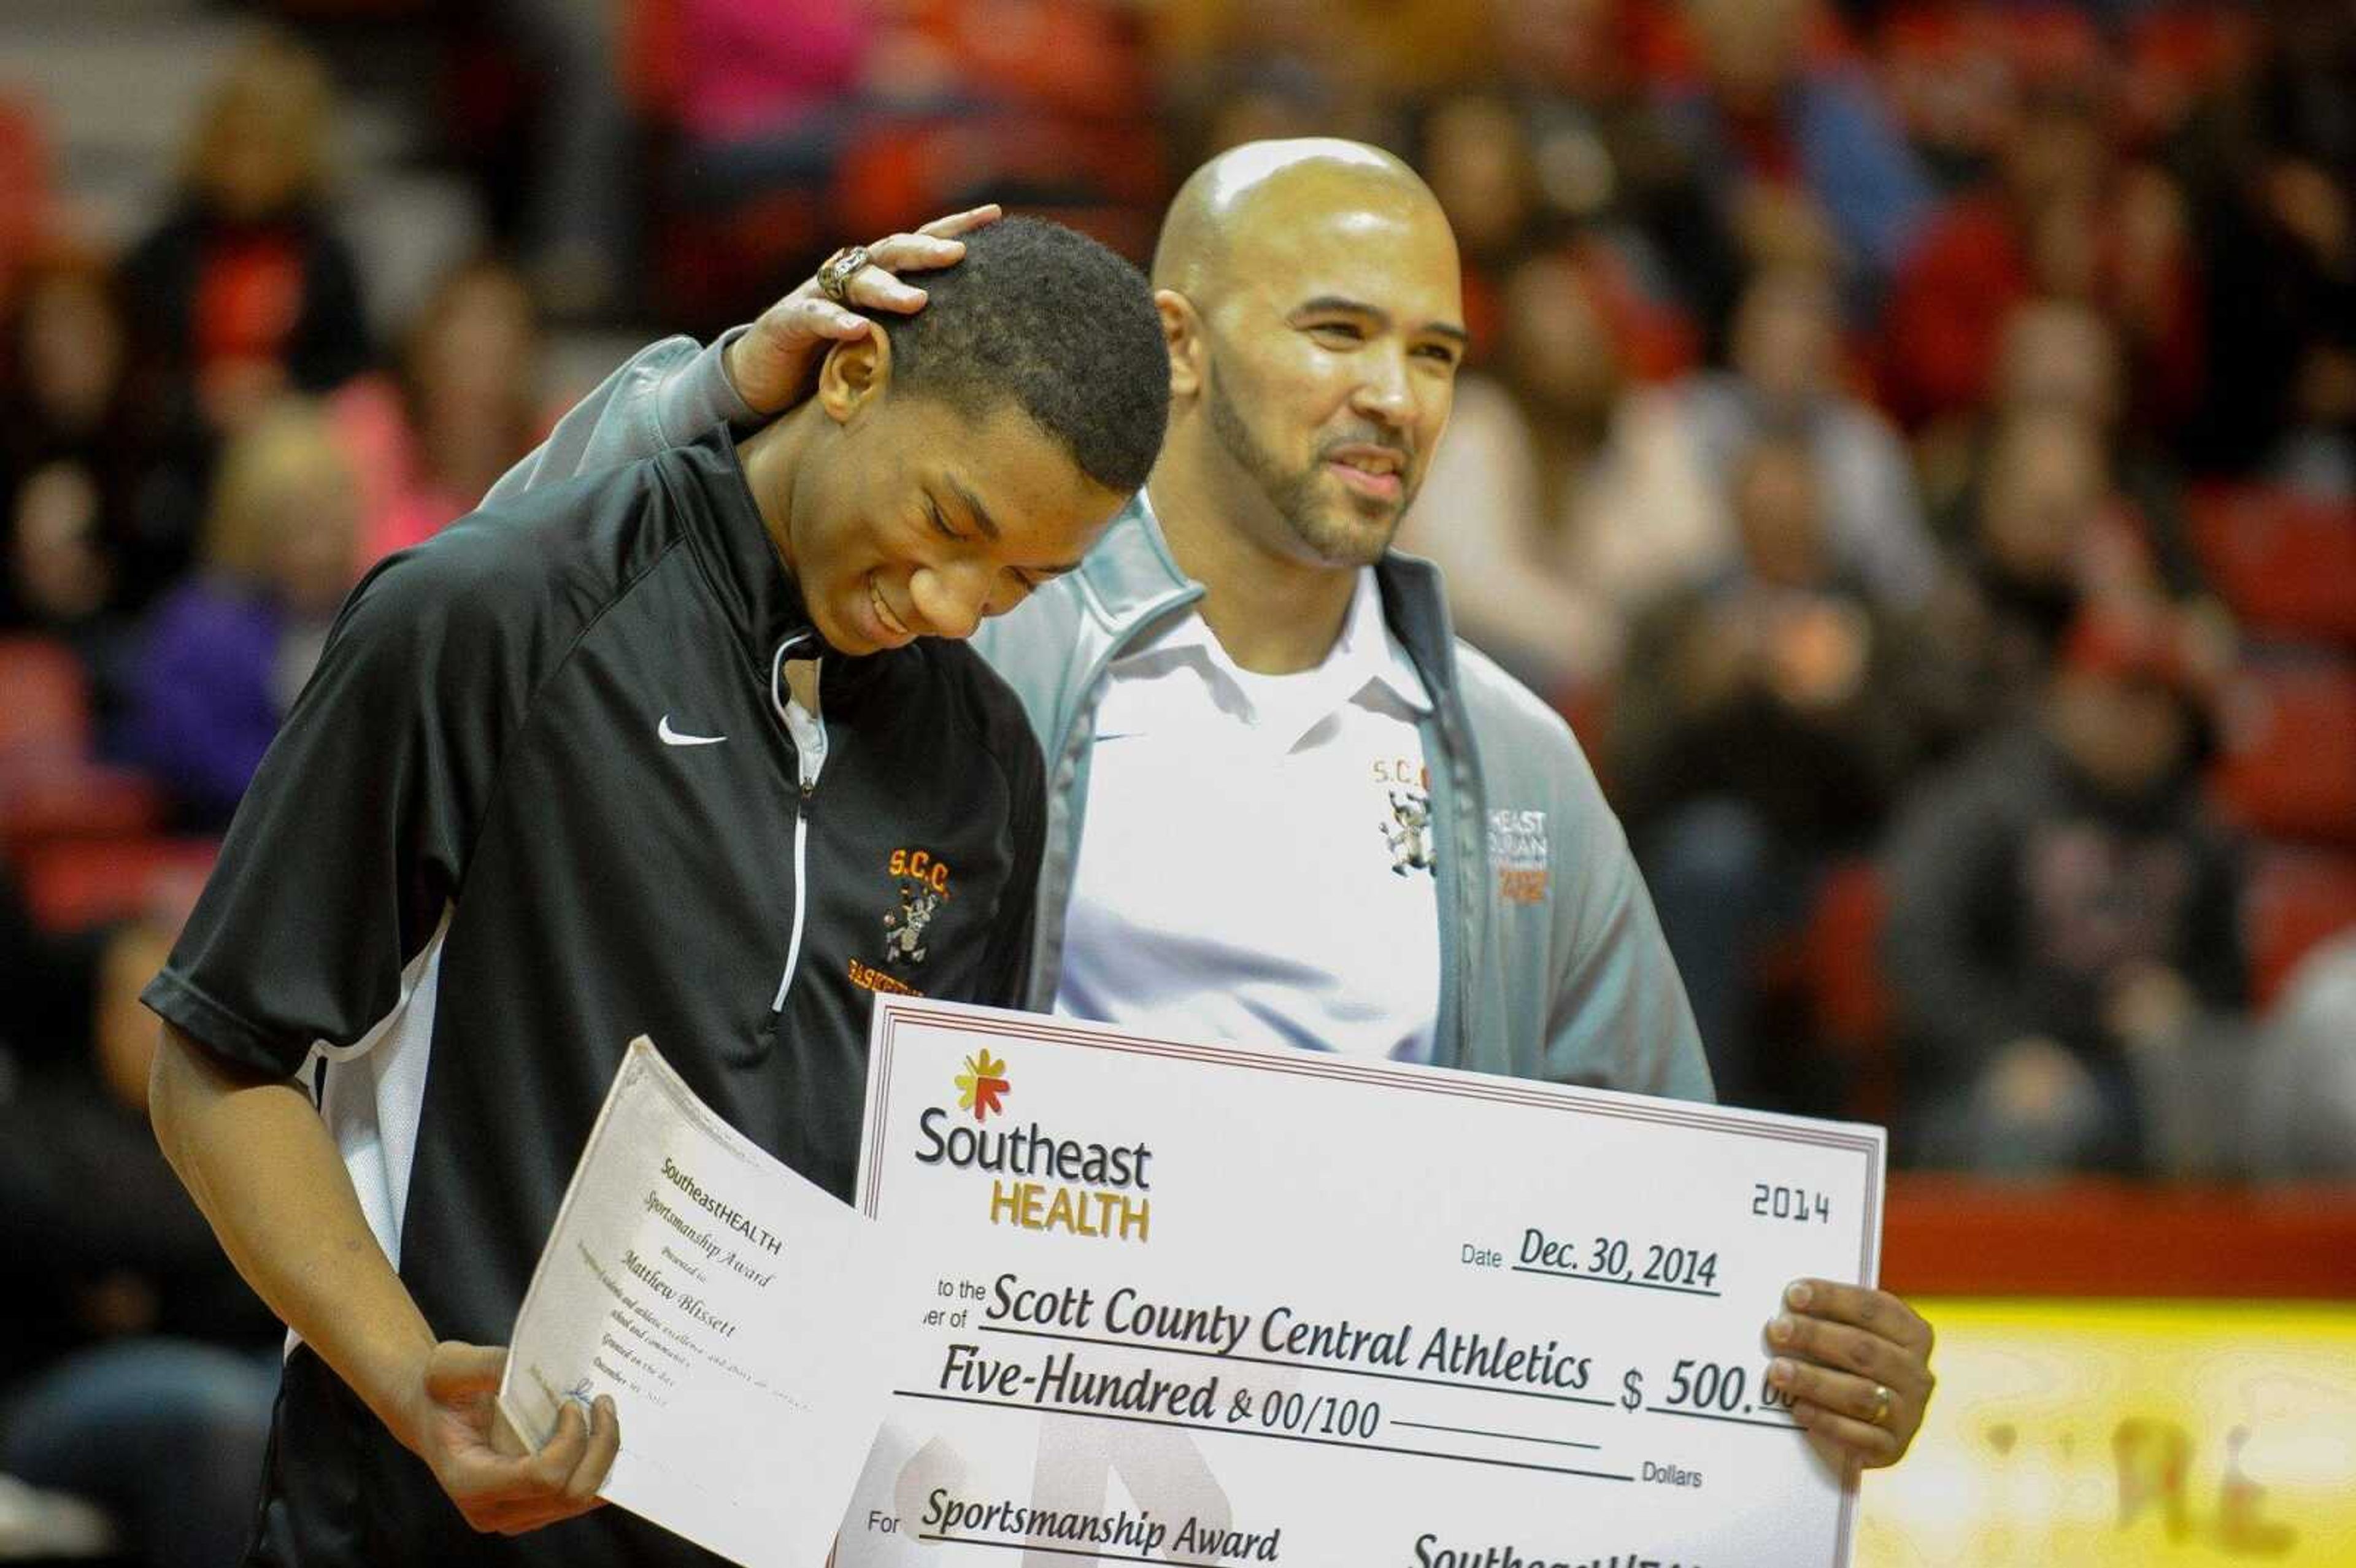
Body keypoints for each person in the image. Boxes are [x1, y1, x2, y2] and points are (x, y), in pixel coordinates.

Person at [500, 141, 1938, 1476]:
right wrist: (722, 389)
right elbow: (520, 601)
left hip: (1335, 1498)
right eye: (1338, 331)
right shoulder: (970, 626)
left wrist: (1820, 1360)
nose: (1397, 393)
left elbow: (1667, 1213)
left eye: (1434, 352)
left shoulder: (1518, 765)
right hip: (953, 1492)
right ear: (1178, 345)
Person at [142, 215, 1170, 1563]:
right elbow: (218, 1062)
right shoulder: (499, 615)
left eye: (1027, 577)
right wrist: (406, 1381)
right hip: (412, 1528)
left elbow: (937, 1213)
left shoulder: (986, 762)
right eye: (948, 520)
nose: (957, 602)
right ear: (851, 376)